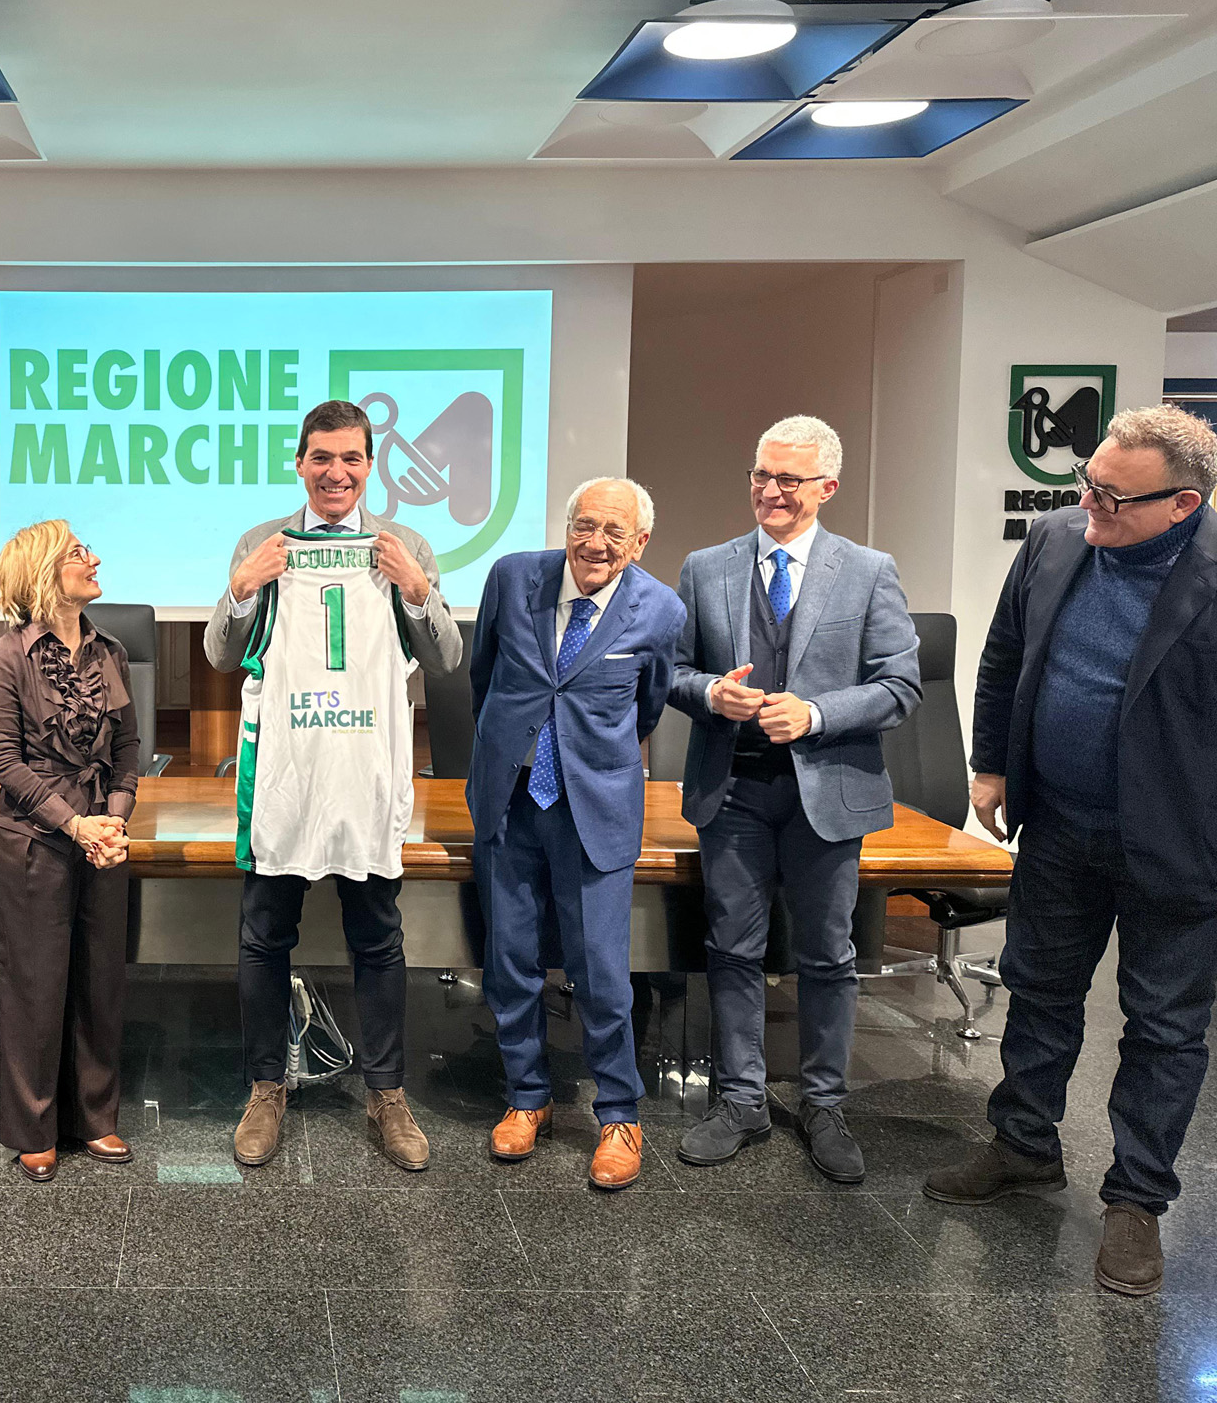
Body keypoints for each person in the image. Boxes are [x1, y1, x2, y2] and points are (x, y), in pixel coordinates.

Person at [925, 404, 1217, 1299]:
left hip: (1178, 842)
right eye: (1085, 482)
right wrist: (989, 765)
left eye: (1113, 497)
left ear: (1184, 505)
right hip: (1057, 823)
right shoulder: (1057, 540)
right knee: (1040, 989)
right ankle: (1023, 1145)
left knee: (1163, 1025)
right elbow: (1006, 654)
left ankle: (1136, 1201)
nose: (1090, 504)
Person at [204, 398, 462, 1172]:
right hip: (288, 772)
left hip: (363, 771)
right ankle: (264, 1086)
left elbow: (445, 659)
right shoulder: (261, 542)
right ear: (299, 462)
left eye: (351, 459)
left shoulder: (404, 543)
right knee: (263, 934)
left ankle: (387, 1092)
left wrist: (417, 589)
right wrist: (244, 587)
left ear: (370, 466)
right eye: (322, 457)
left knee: (378, 935)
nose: (336, 472)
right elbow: (222, 654)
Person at [669, 415, 920, 1184]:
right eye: (760, 475)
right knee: (732, 949)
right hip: (734, 789)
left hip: (827, 793)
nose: (770, 491)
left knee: (827, 956)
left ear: (827, 488)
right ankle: (741, 1102)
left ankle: (823, 1105)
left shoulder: (869, 570)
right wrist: (712, 692)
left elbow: (900, 686)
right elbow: (674, 673)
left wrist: (815, 713)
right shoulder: (705, 568)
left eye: (789, 480)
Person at [469, 478, 683, 1188]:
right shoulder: (513, 576)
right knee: (511, 961)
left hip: (595, 806)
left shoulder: (661, 608)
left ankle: (618, 1112)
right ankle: (527, 1099)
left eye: (612, 532)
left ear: (640, 543)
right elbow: (483, 677)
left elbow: (647, 706)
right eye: (583, 526)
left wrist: (587, 754)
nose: (594, 543)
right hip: (510, 798)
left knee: (599, 972)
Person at [0, 521, 139, 1182]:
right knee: (34, 988)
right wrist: (73, 824)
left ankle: (96, 1120)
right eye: (79, 553)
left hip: (101, 837)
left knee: (100, 982)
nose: (95, 558)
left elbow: (129, 752)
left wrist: (114, 822)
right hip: (33, 839)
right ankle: (33, 1127)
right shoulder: (7, 657)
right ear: (46, 574)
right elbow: (0, 760)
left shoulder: (112, 651)